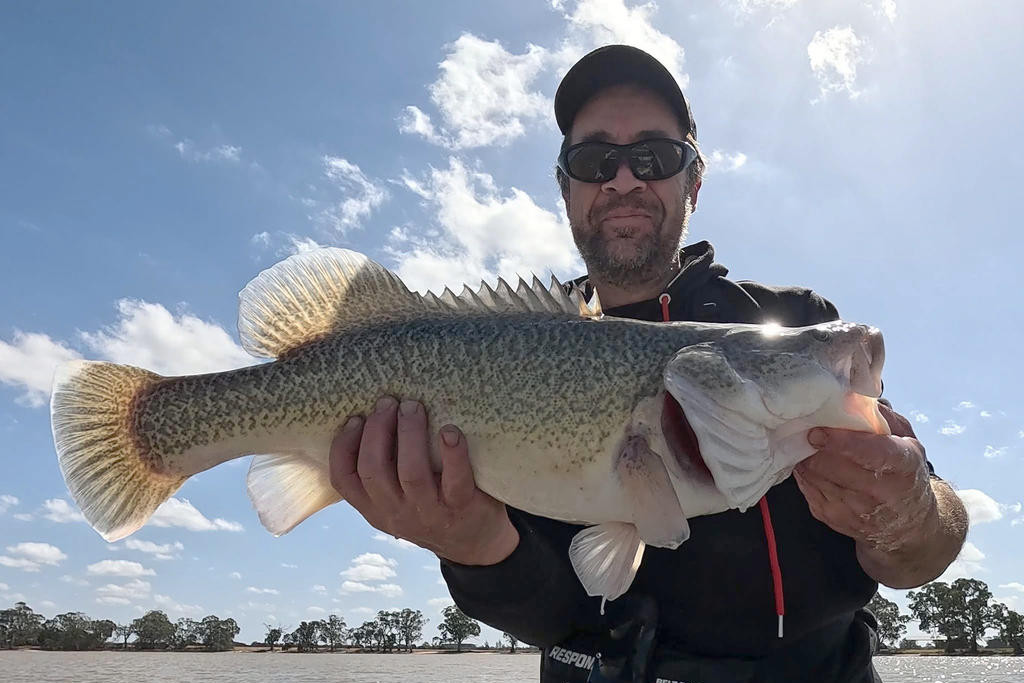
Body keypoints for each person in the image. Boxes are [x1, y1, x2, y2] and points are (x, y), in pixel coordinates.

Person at [327, 45, 968, 682]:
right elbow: (553, 617)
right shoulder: (515, 349)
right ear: (566, 188)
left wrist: (908, 515)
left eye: (654, 157)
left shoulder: (793, 323)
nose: (624, 179)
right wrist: (468, 545)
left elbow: (928, 550)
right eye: (594, 159)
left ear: (693, 180)